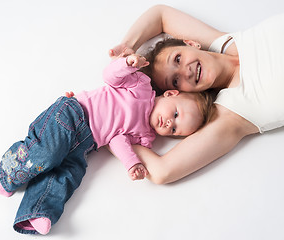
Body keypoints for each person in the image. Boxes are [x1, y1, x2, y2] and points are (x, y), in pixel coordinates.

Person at [0, 53, 213, 235]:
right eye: (175, 113)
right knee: (48, 152)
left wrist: (131, 163)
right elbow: (110, 78)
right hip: (73, 114)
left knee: (69, 174)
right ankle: (8, 175)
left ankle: (36, 211)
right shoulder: (142, 87)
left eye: (174, 129)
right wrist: (126, 64)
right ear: (170, 93)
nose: (168, 123)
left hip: (86, 144)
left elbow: (116, 139)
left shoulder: (146, 136)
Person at [109, 4, 284, 184]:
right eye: (176, 80)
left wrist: (128, 46)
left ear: (191, 43)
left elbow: (160, 15)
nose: (187, 72)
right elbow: (163, 171)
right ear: (180, 91)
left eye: (178, 59)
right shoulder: (232, 114)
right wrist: (111, 132)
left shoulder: (225, 42)